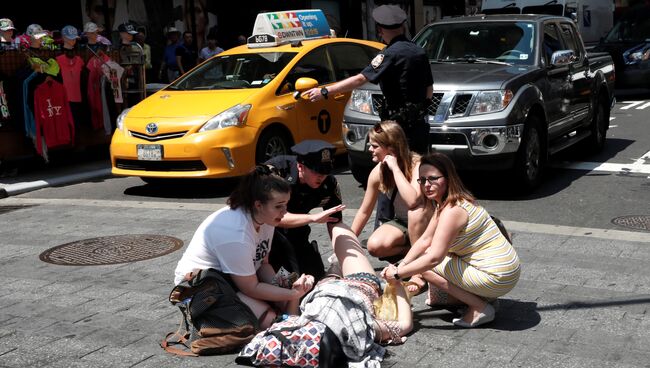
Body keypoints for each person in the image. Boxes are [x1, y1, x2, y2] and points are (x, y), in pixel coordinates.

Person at [382, 152, 521, 328]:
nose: (427, 185)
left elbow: (434, 258)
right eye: (422, 180)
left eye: (433, 178)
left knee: (426, 264)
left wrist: (398, 274)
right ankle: (483, 298)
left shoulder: (452, 211)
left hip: (497, 276)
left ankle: (480, 307)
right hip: (505, 270)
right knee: (423, 259)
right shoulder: (450, 202)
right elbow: (424, 239)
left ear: (448, 178)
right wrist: (400, 268)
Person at [173, 166, 315, 329]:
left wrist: (288, 288)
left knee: (288, 305)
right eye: (279, 206)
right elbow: (250, 288)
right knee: (272, 321)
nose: (284, 212)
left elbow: (262, 264)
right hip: (200, 287)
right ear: (258, 205)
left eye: (286, 204)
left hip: (235, 279)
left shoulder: (266, 219)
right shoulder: (237, 233)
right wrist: (292, 294)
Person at [304, 4, 433, 155]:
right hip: (419, 125)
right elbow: (429, 89)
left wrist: (325, 91)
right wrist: (418, 112)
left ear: (380, 30)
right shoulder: (419, 51)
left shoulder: (390, 54)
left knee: (394, 168)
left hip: (397, 127)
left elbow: (360, 79)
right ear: (403, 27)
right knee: (418, 166)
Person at [296, 223, 413, 365]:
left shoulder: (358, 330)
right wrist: (396, 281)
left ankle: (337, 265)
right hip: (356, 283)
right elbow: (405, 325)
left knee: (339, 235)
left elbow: (405, 325)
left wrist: (295, 293)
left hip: (332, 286)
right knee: (339, 229)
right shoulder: (358, 329)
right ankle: (337, 264)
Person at [351, 121, 431, 294]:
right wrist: (348, 242)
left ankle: (418, 273)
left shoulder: (418, 164)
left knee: (416, 212)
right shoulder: (378, 171)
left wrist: (395, 168)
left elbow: (413, 201)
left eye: (374, 146)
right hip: (404, 224)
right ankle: (412, 251)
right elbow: (364, 211)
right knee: (374, 245)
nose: (369, 149)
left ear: (391, 149)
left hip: (430, 224)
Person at [265, 140, 346, 281]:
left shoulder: (329, 183)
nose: (322, 176)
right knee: (284, 284)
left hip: (297, 233)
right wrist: (313, 218)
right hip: (267, 237)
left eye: (325, 171)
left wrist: (341, 254)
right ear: (301, 166)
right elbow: (272, 217)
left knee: (315, 278)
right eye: (317, 171)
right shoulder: (276, 173)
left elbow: (335, 222)